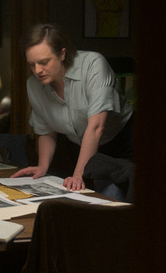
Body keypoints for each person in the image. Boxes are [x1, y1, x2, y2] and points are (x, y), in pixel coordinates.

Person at [11, 23, 135, 202]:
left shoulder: (93, 64)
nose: (38, 70)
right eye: (32, 64)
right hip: (80, 147)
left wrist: (78, 175)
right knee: (89, 203)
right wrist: (42, 166)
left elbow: (96, 127)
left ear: (62, 54)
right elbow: (46, 131)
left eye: (44, 62)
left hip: (122, 143)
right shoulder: (33, 85)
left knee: (118, 202)